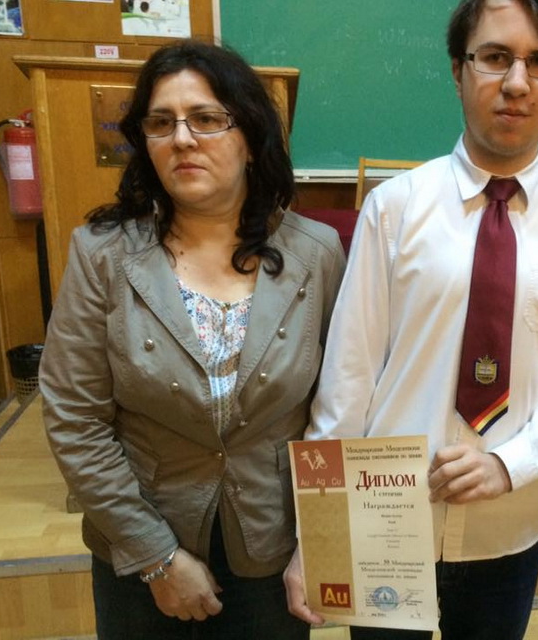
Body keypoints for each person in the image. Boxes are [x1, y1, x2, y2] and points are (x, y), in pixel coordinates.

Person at [284, 0, 538, 638]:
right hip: (388, 521)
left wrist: (511, 462)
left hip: (509, 526)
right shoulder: (394, 209)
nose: (517, 82)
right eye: (495, 57)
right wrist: (322, 529)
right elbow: (347, 380)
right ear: (458, 70)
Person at [40, 40, 345, 639]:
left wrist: (321, 540)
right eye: (161, 123)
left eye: (206, 119)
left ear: (250, 137)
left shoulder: (317, 253)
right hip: (141, 542)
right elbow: (75, 417)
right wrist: (155, 556)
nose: (182, 139)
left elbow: (339, 407)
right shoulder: (101, 255)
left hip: (274, 543)